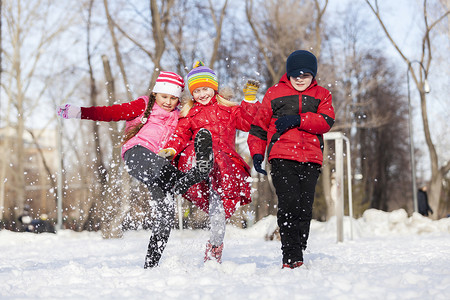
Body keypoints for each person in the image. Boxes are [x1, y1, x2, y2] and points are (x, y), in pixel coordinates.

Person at [56, 71, 213, 268]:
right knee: (160, 167)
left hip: (162, 167)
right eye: (164, 96)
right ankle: (187, 179)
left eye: (173, 98)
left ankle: (151, 265)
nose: (168, 102)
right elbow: (112, 112)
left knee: (165, 216)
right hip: (137, 153)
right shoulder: (144, 105)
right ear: (156, 94)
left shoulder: (179, 115)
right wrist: (80, 112)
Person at [160, 61, 260, 263]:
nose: (201, 94)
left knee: (218, 215)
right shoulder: (189, 115)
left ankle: (214, 249)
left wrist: (249, 99)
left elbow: (249, 123)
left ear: (213, 88)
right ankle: (201, 162)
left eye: (205, 89)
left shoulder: (229, 110)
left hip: (223, 166)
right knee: (192, 149)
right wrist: (171, 149)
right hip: (197, 164)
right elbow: (179, 136)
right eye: (196, 91)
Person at [247, 50, 335, 269]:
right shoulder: (274, 93)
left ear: (313, 75)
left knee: (305, 207)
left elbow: (326, 120)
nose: (300, 78)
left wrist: (298, 119)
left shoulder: (322, 95)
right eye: (295, 74)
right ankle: (291, 255)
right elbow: (259, 126)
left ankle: (299, 246)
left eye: (305, 75)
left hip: (312, 158)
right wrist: (257, 153)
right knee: (289, 204)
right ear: (289, 73)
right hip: (281, 156)